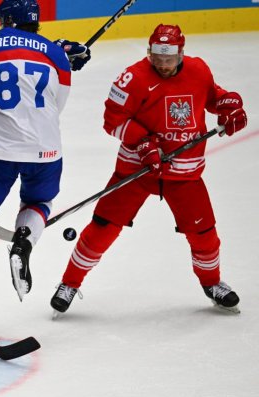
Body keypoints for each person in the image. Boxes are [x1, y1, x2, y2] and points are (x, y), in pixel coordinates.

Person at [50, 24, 248, 315]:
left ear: (181, 53)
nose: (163, 64)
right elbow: (112, 120)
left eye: (169, 58)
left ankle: (213, 283)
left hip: (185, 174)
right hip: (136, 172)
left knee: (205, 234)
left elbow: (212, 97)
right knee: (102, 228)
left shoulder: (199, 70)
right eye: (157, 57)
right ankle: (69, 283)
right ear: (149, 52)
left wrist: (228, 107)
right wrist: (143, 143)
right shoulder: (131, 78)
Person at [0, 0, 91, 310]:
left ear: (11, 21)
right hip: (45, 147)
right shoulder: (57, 56)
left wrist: (54, 50)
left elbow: (6, 65)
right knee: (38, 202)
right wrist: (61, 56)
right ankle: (24, 243)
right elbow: (57, 103)